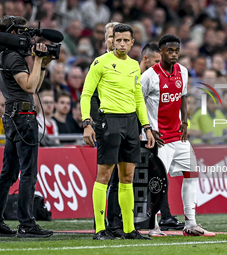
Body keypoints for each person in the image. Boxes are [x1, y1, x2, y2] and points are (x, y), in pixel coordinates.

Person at [80, 23, 155, 240]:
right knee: (104, 176)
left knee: (127, 177)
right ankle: (99, 229)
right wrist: (87, 123)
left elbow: (138, 97)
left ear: (132, 42)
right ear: (111, 40)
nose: (121, 43)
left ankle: (130, 229)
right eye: (117, 39)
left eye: (126, 40)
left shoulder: (133, 65)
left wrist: (146, 127)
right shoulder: (100, 63)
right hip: (109, 122)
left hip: (131, 123)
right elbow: (86, 94)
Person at [141, 34, 215, 237]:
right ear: (161, 52)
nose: (173, 54)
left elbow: (182, 97)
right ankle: (153, 225)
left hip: (178, 136)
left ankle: (190, 223)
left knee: (191, 174)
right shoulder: (149, 76)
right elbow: (137, 103)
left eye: (176, 50)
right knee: (157, 180)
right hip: (160, 139)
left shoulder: (183, 71)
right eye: (169, 50)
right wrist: (147, 129)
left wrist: (185, 121)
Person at [0, 15, 53, 238]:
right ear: (12, 33)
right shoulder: (13, 57)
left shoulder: (6, 55)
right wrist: (38, 61)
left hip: (14, 115)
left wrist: (42, 65)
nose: (26, 37)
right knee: (28, 172)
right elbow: (30, 87)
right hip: (22, 116)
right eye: (22, 32)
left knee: (8, 174)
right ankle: (26, 223)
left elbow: (35, 85)